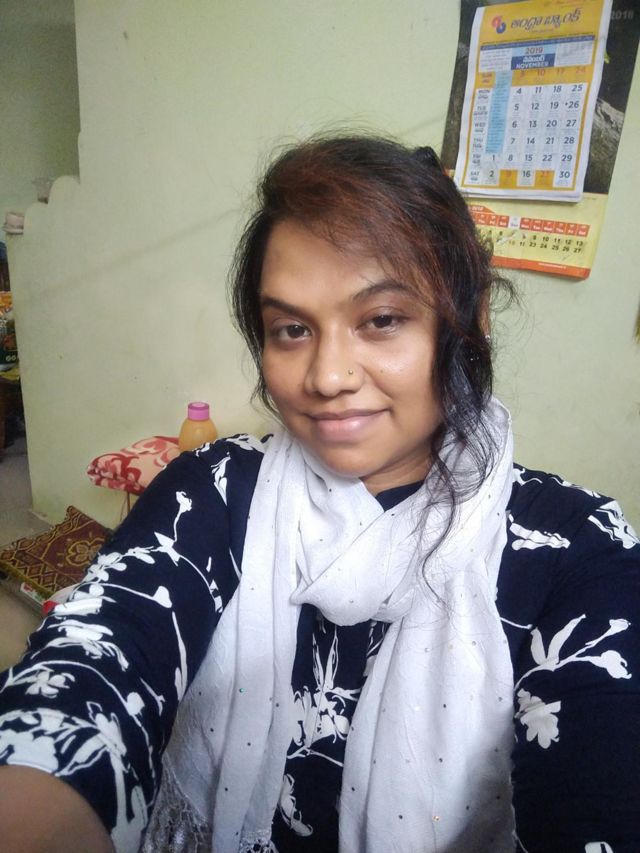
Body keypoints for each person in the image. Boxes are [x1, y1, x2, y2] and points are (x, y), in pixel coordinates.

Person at [0, 136, 639, 853]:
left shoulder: (577, 548)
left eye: (382, 319)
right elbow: (97, 656)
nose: (327, 376)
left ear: (470, 319)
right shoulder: (213, 492)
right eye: (292, 329)